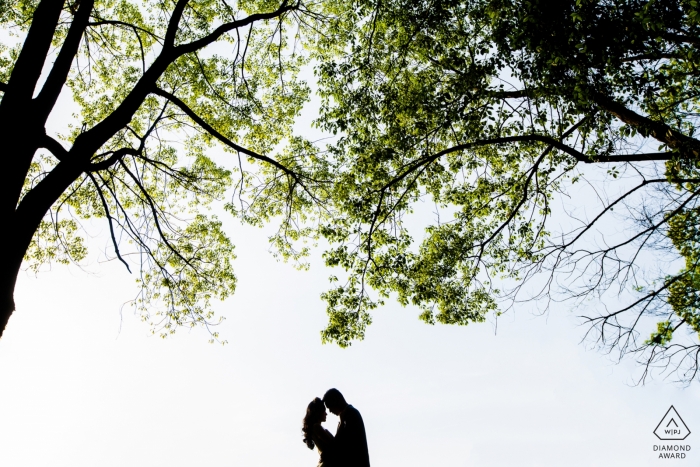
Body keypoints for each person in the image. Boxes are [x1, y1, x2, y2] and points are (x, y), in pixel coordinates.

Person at [323, 388, 370, 467]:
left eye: (330, 407)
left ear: (335, 401)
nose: (330, 411)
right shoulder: (349, 414)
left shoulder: (349, 415)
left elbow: (344, 444)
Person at [302, 397, 338, 467]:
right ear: (318, 412)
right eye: (324, 411)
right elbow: (332, 444)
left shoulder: (315, 428)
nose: (326, 414)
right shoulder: (316, 427)